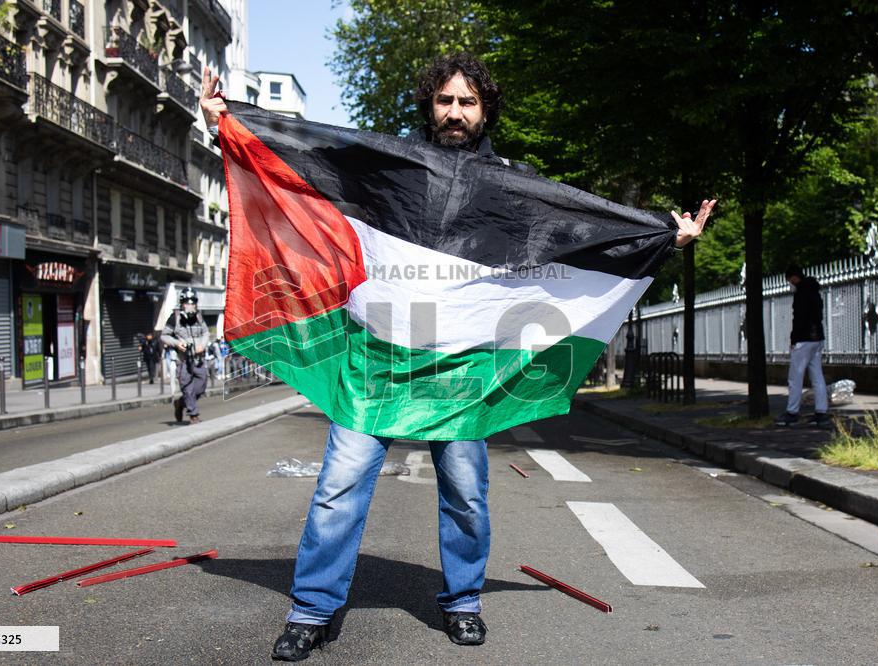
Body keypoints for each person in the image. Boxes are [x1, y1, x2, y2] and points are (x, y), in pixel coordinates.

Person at [201, 54, 714, 661]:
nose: (454, 112)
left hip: (464, 367)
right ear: (429, 106)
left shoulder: (515, 186)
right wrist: (227, 124)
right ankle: (311, 611)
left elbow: (581, 233)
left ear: (485, 111)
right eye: (445, 100)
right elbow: (301, 162)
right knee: (339, 488)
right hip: (378, 359)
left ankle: (463, 602)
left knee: (466, 494)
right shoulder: (388, 168)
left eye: (467, 102)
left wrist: (663, 235)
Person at [775, 265, 830, 427]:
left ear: (794, 277)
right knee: (817, 376)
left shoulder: (801, 293)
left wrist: (794, 339)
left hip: (804, 339)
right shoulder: (814, 291)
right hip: (817, 337)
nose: (790, 284)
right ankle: (821, 412)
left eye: (789, 280)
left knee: (795, 377)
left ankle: (792, 413)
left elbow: (799, 318)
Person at [160, 287, 211, 424]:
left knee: (201, 386)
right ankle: (193, 414)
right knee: (187, 387)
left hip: (198, 359)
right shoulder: (174, 318)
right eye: (187, 302)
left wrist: (202, 345)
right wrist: (177, 343)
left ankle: (180, 403)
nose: (190, 305)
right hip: (183, 360)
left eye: (193, 302)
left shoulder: (199, 317)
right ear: (182, 303)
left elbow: (206, 333)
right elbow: (164, 336)